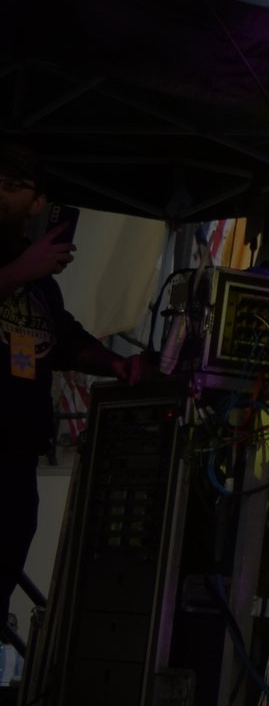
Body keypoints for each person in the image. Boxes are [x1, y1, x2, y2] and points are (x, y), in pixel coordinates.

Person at [0, 146, 144, 655]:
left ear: (39, 204)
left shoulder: (40, 285)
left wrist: (116, 364)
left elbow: (63, 339)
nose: (0, 194)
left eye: (12, 187)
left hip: (17, 463)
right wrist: (19, 270)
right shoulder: (22, 271)